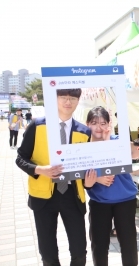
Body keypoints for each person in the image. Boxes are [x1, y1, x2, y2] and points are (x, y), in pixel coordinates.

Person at [15, 89, 94, 265]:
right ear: (55, 99)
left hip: (73, 197)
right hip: (43, 197)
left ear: (78, 100)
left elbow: (86, 167)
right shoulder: (37, 126)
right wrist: (39, 170)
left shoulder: (85, 131)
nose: (68, 102)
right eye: (64, 97)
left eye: (72, 98)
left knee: (79, 251)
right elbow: (20, 158)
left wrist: (88, 184)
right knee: (48, 253)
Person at [85, 106, 139, 266]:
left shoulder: (119, 142)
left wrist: (107, 142)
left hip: (125, 200)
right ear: (87, 124)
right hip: (99, 201)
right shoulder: (83, 146)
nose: (99, 127)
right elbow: (80, 174)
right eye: (94, 123)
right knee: (99, 245)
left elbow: (120, 161)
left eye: (103, 123)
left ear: (109, 123)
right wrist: (95, 180)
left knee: (128, 243)